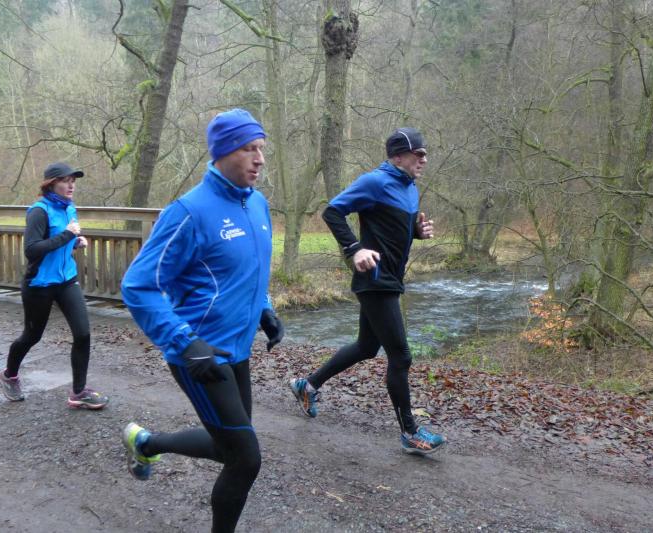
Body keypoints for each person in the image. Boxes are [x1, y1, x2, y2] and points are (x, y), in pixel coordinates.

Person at [119, 108, 284, 533]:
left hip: (237, 349)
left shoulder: (257, 203)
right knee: (245, 458)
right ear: (223, 152)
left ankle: (146, 443)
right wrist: (184, 340)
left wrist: (264, 308)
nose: (259, 158)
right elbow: (138, 285)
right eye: (249, 149)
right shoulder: (189, 213)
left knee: (229, 446)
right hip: (199, 354)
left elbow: (249, 269)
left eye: (261, 148)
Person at [288, 127, 445, 455]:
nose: (424, 159)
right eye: (418, 153)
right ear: (398, 156)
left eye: (425, 154)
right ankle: (410, 432)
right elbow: (332, 211)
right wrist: (354, 248)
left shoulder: (410, 188)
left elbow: (393, 229)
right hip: (374, 280)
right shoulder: (375, 182)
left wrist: (416, 232)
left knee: (366, 346)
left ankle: (308, 385)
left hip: (391, 280)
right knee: (401, 356)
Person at [0, 162, 109, 410]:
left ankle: (79, 392)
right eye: (66, 181)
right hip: (39, 284)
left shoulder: (69, 208)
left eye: (73, 181)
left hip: (66, 280)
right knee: (32, 336)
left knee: (83, 333)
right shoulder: (39, 211)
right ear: (51, 184)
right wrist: (67, 235)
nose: (71, 185)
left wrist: (75, 242)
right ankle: (9, 375)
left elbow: (60, 241)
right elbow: (32, 250)